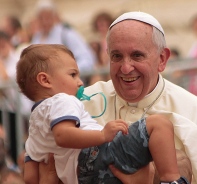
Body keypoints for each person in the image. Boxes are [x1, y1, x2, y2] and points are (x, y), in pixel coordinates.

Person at [26, 11, 196, 183]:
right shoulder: (80, 102)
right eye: (117, 56)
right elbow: (42, 165)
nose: (126, 68)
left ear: (162, 59)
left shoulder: (191, 109)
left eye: (137, 55)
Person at [31, 0, 96, 75]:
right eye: (41, 18)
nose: (45, 22)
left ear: (54, 17)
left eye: (48, 17)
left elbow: (86, 59)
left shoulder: (66, 34)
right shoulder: (36, 38)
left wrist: (67, 73)